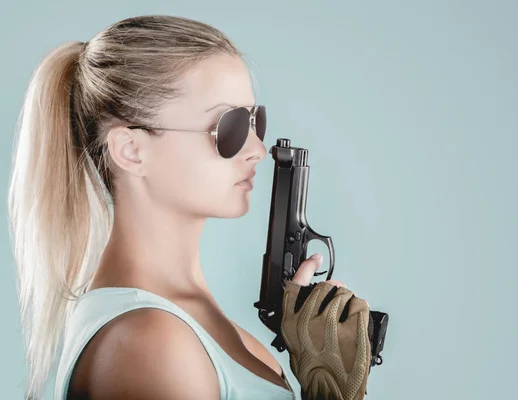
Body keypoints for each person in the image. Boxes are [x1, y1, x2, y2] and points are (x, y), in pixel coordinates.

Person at [8, 15, 374, 400]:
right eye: (229, 127)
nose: (257, 150)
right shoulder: (151, 344)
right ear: (131, 151)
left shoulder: (184, 321)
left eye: (255, 121)